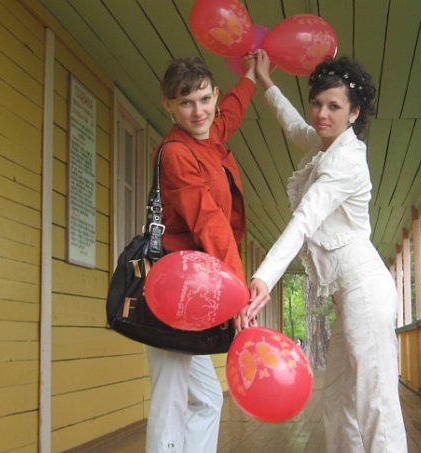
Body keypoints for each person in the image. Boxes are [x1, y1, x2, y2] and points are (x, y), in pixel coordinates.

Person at [246, 50, 408, 453]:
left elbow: (305, 219)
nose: (322, 114)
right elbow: (294, 127)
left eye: (334, 107)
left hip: (365, 290)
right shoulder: (324, 146)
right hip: (347, 295)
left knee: (376, 402)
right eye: (317, 103)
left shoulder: (346, 161)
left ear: (354, 113)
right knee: (337, 403)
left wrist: (264, 277)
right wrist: (266, 80)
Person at [146, 56, 256, 453]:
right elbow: (209, 222)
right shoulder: (177, 152)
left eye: (206, 99)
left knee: (207, 399)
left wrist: (251, 77)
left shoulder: (209, 135)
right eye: (186, 103)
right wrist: (239, 291)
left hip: (193, 292)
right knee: (171, 399)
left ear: (215, 95)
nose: (199, 112)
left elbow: (229, 115)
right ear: (168, 105)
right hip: (172, 290)